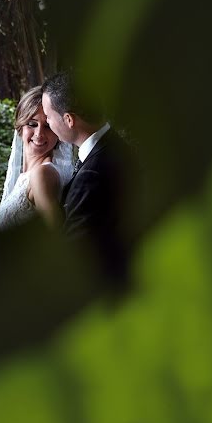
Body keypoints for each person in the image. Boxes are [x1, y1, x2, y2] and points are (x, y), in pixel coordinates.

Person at [41, 71, 133, 283]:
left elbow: (76, 252)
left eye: (48, 116)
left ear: (69, 120)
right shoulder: (116, 146)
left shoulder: (91, 173)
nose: (48, 123)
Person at [0, 86, 73, 231]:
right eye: (32, 124)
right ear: (20, 128)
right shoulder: (28, 175)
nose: (39, 134)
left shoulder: (41, 175)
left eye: (48, 126)